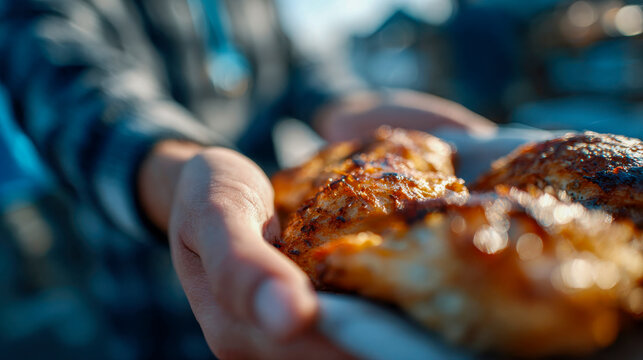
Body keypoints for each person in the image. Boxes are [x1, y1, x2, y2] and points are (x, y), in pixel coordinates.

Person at [0, 0, 495, 358]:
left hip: (295, 258)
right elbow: (75, 101)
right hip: (152, 296)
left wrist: (349, 108)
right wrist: (182, 170)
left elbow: (302, 68)